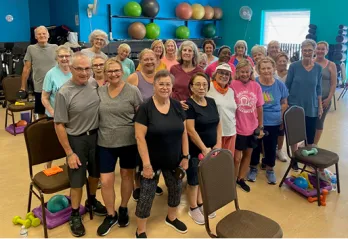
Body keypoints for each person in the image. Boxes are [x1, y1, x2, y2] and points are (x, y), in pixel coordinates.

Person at [54, 52, 106, 237]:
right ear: (71, 68)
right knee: (77, 181)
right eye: (80, 69)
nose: (84, 73)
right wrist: (69, 153)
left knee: (94, 175)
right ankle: (74, 213)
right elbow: (59, 124)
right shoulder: (64, 92)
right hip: (76, 140)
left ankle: (91, 201)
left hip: (96, 137)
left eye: (87, 68)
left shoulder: (93, 83)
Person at [134, 70, 189, 238]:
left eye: (168, 84)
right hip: (151, 161)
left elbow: (184, 133)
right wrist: (146, 164)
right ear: (154, 86)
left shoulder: (177, 106)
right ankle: (140, 229)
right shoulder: (145, 108)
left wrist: (185, 156)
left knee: (175, 189)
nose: (165, 87)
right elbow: (139, 137)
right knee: (146, 195)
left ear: (172, 87)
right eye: (161, 84)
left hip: (174, 159)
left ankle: (171, 217)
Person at [96, 58, 143, 236]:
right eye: (110, 71)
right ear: (105, 73)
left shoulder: (133, 91)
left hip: (128, 142)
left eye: (116, 71)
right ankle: (111, 214)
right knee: (106, 181)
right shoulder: (99, 91)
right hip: (105, 142)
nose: (113, 74)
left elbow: (140, 116)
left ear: (122, 71)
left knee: (126, 176)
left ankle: (123, 207)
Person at [127, 49, 164, 200]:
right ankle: (137, 186)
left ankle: (152, 183)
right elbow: (126, 102)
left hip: (158, 125)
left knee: (156, 155)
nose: (149, 62)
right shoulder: (134, 78)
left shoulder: (161, 77)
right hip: (141, 125)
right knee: (139, 158)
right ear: (140, 62)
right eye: (145, 59)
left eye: (152, 59)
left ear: (156, 61)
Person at [186, 72, 221, 224]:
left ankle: (201, 203)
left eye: (204, 85)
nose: (201, 88)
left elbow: (218, 124)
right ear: (191, 87)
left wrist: (218, 144)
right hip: (196, 150)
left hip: (212, 149)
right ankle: (193, 208)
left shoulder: (212, 102)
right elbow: (190, 130)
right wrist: (203, 148)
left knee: (204, 177)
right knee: (194, 179)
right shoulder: (189, 104)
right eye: (198, 85)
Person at [247, 57, 288, 184]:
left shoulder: (279, 84)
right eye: (263, 68)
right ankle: (253, 168)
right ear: (258, 70)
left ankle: (270, 169)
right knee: (255, 146)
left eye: (269, 68)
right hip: (256, 121)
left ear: (274, 69)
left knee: (271, 146)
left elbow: (284, 103)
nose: (266, 71)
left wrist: (281, 117)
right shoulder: (254, 83)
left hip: (274, 121)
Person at [286, 39, 323, 170]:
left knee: (309, 136)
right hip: (295, 105)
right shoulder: (294, 66)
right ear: (301, 51)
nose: (307, 52)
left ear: (314, 52)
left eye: (310, 50)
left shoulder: (318, 68)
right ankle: (294, 158)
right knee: (295, 134)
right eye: (305, 50)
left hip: (311, 106)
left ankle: (307, 158)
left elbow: (318, 88)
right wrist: (285, 104)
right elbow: (287, 86)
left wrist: (320, 106)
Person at [231, 59, 264, 193]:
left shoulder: (256, 86)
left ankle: (241, 178)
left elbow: (260, 107)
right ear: (237, 72)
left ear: (251, 72)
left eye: (247, 71)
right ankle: (232, 180)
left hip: (252, 127)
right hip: (238, 127)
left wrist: (260, 126)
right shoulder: (233, 85)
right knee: (236, 158)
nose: (244, 74)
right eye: (242, 72)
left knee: (248, 154)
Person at [21, 26, 58, 119]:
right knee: (41, 113)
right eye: (39, 34)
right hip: (40, 87)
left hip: (55, 86)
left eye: (44, 33)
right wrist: (22, 87)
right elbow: (26, 68)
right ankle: (42, 131)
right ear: (36, 37)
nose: (42, 35)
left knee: (56, 112)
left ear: (48, 35)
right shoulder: (31, 48)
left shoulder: (55, 47)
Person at [207, 63, 237, 156]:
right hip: (214, 133)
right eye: (221, 73)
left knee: (227, 162)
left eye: (227, 74)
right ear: (215, 74)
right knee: (213, 163)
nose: (224, 76)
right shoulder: (208, 88)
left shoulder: (231, 91)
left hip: (230, 132)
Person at [314, 41, 337, 145]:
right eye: (318, 48)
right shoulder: (310, 63)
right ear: (315, 50)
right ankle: (307, 141)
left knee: (319, 122)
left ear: (326, 51)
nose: (320, 51)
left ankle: (314, 144)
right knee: (309, 122)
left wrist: (329, 98)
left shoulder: (331, 65)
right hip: (311, 99)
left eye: (322, 49)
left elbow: (333, 84)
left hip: (324, 99)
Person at [274, 52, 289, 163]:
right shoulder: (272, 73)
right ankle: (272, 149)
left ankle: (280, 149)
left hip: (285, 103)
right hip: (273, 104)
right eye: (280, 61)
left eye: (284, 61)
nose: (282, 63)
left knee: (281, 128)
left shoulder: (290, 73)